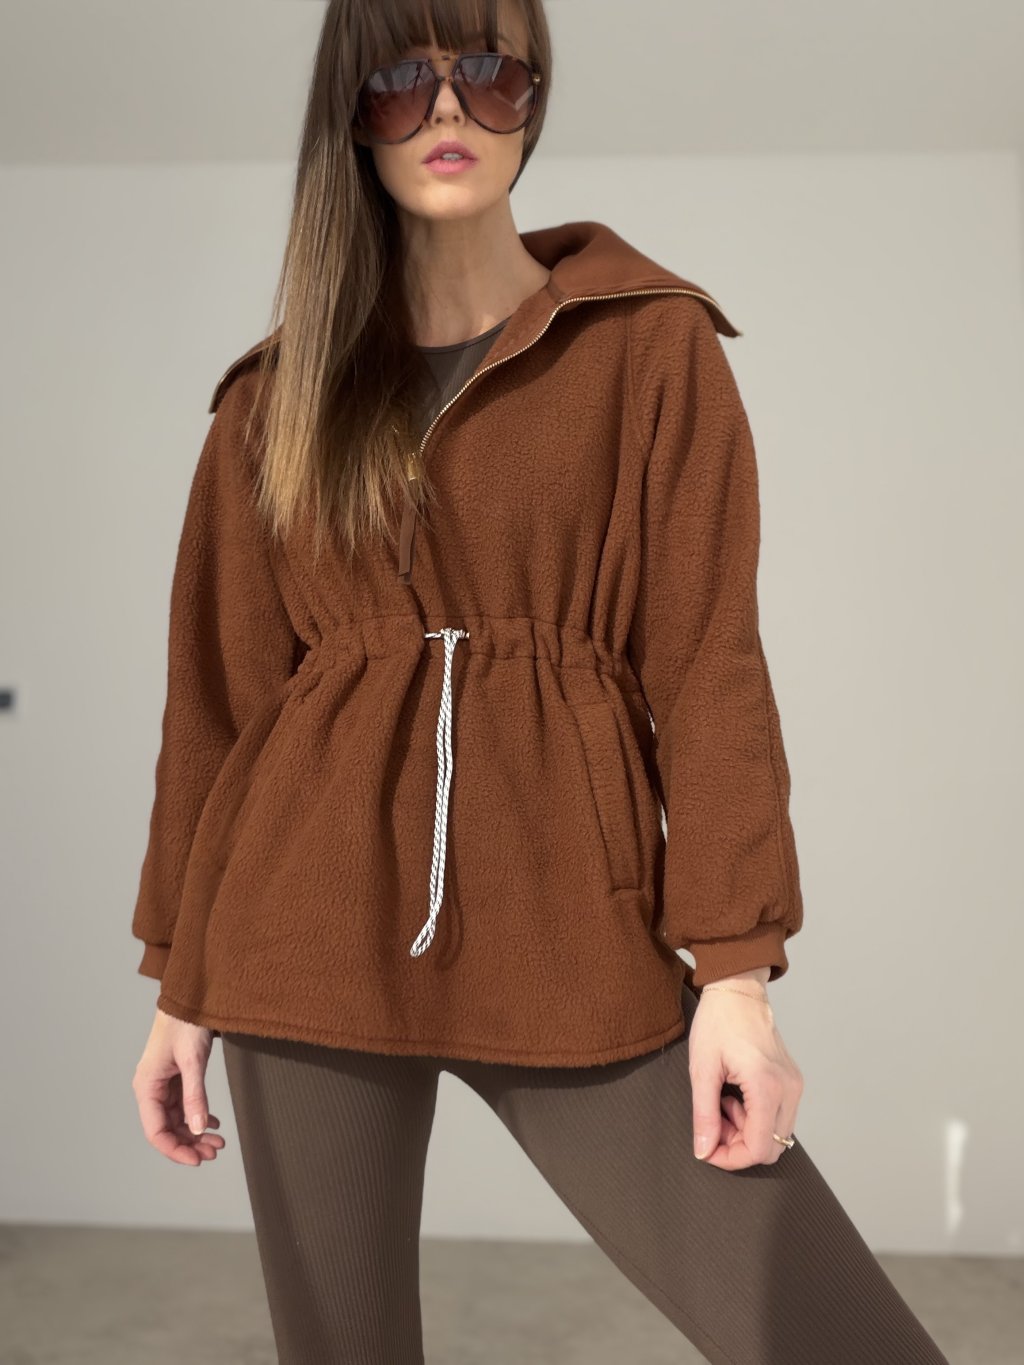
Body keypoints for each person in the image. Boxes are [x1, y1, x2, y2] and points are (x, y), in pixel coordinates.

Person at [129, 1, 950, 1361]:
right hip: (300, 927)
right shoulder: (272, 401)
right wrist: (176, 977)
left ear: (535, 100)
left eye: (488, 73)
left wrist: (736, 977)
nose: (449, 108)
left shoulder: (650, 346)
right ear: (350, 116)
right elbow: (214, 702)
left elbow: (710, 668)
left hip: (576, 917)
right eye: (401, 79)